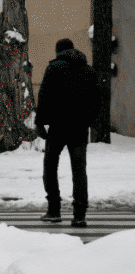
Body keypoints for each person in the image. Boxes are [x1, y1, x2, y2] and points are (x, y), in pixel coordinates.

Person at [35, 38, 100, 228]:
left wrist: (40, 123)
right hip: (79, 128)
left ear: (58, 51)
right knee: (79, 170)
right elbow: (97, 99)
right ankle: (80, 215)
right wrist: (88, 120)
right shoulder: (88, 70)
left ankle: (54, 210)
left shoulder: (54, 68)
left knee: (50, 166)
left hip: (58, 127)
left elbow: (44, 96)